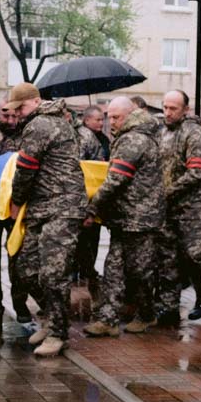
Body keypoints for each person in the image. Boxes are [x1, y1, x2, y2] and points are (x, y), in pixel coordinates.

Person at [7, 87, 89, 356]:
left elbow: (25, 169)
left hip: (62, 207)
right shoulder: (45, 121)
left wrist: (16, 201)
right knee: (27, 269)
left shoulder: (40, 124)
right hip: (43, 207)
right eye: (14, 109)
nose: (17, 113)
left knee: (53, 273)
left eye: (21, 107)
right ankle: (53, 319)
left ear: (36, 101)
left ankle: (58, 333)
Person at [85, 96, 164, 338]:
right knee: (114, 269)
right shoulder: (130, 137)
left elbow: (115, 180)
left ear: (130, 115)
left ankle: (147, 314)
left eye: (116, 117)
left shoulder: (134, 140)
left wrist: (92, 209)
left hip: (140, 219)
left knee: (140, 272)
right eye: (109, 117)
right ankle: (107, 319)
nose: (111, 122)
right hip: (125, 217)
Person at [0, 85, 36, 339]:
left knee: (18, 256)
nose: (10, 120)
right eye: (6, 115)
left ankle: (21, 306)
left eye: (14, 115)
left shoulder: (28, 129)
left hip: (17, 202)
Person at [155, 90, 201, 324]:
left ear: (185, 110)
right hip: (168, 208)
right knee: (167, 257)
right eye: (165, 107)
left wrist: (166, 192)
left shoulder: (195, 134)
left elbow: (196, 173)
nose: (167, 113)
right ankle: (168, 307)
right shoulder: (161, 132)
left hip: (194, 208)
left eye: (173, 109)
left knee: (194, 255)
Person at [73, 103, 109, 290]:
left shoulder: (102, 138)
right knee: (83, 239)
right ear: (87, 120)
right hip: (85, 195)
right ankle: (82, 271)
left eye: (103, 119)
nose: (101, 123)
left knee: (93, 237)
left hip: (96, 196)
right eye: (98, 119)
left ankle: (88, 270)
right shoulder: (83, 137)